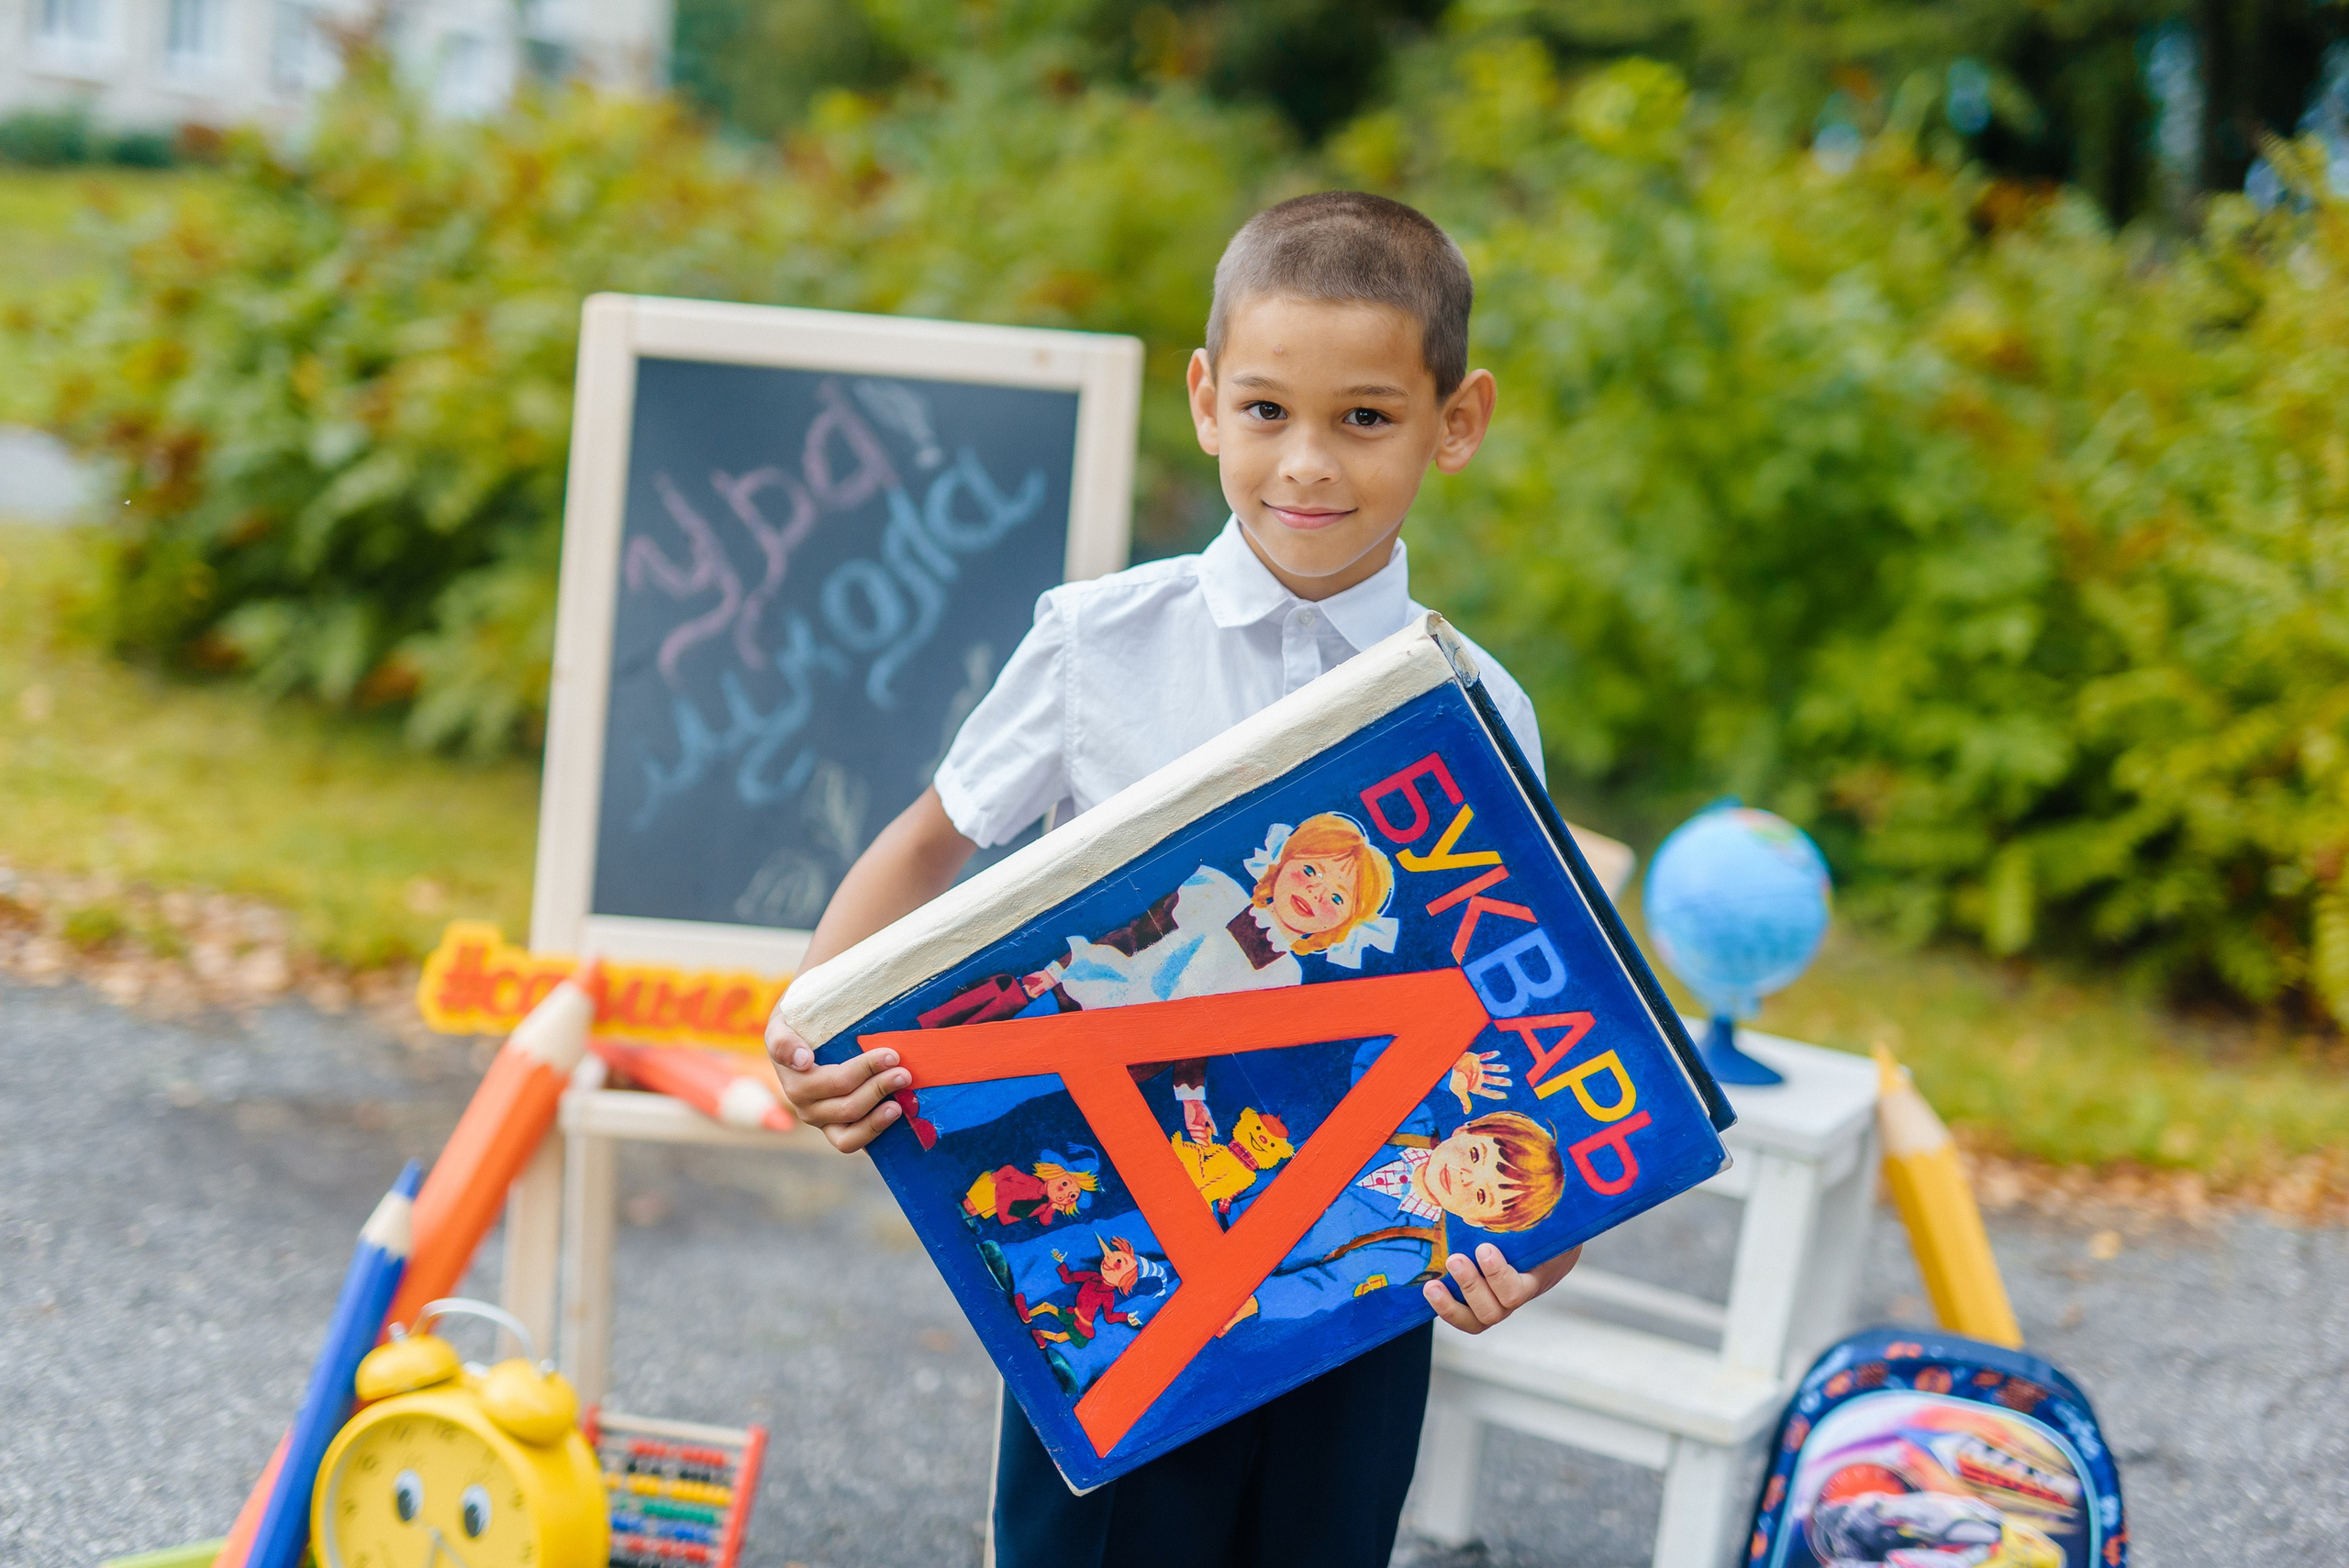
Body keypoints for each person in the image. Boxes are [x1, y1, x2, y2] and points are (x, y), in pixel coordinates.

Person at [768, 189, 1582, 1567]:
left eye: (1365, 418)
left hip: (1356, 1270)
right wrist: (808, 1023)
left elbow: (1524, 998)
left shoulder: (1475, 702)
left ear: (1458, 421)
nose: (1308, 464)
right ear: (1205, 400)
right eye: (1268, 412)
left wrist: (1541, 1228)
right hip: (1109, 1254)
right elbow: (928, 842)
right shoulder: (1098, 641)